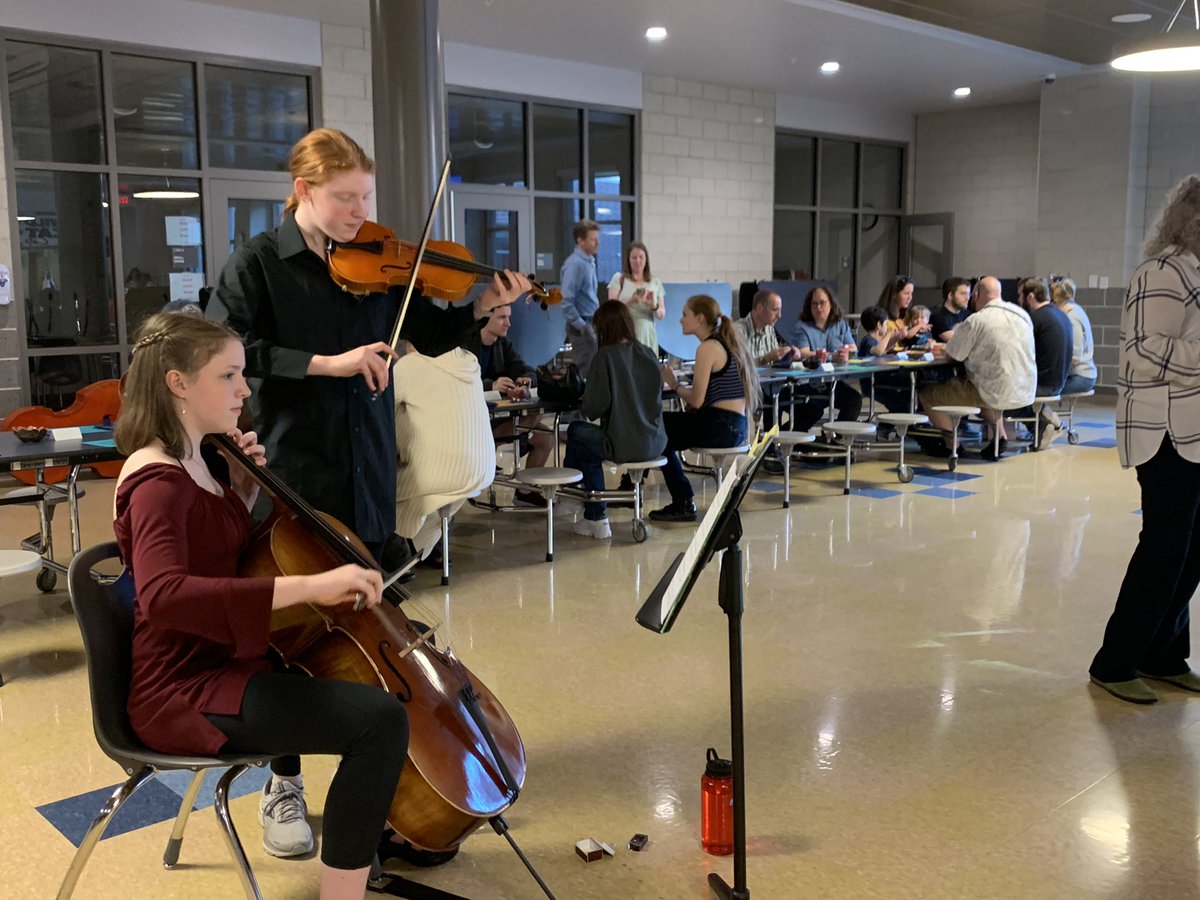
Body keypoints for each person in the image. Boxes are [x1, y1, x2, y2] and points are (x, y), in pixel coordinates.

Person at [206, 127, 528, 856]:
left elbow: (435, 334)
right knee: (288, 638)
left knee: (372, 637)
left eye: (366, 198)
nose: (360, 213)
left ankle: (388, 784)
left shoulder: (378, 265)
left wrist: (483, 307)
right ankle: (283, 782)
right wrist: (329, 362)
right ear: (303, 191)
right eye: (345, 198)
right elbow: (226, 350)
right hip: (297, 473)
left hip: (369, 468)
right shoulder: (258, 263)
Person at [113, 312, 404, 900]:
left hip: (222, 661)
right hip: (183, 689)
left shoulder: (199, 461)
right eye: (228, 375)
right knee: (379, 721)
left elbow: (217, 556)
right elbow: (165, 596)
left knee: (364, 681)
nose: (244, 390)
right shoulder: (157, 483)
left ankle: (382, 828)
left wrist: (242, 495)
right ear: (178, 384)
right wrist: (310, 587)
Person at [1090, 176, 1200, 705]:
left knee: (1191, 550)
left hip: (1193, 431)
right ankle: (1114, 662)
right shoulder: (1164, 271)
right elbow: (1144, 348)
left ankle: (1163, 654)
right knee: (1165, 548)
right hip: (1165, 434)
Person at [651, 295, 759, 523]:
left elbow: (697, 400)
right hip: (736, 425)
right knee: (663, 428)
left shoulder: (707, 348)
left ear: (700, 318)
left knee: (656, 429)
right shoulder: (725, 344)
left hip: (721, 425)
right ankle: (674, 495)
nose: (680, 320)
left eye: (685, 315)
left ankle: (682, 500)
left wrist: (674, 383)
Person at [564, 301, 667, 538]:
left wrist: (587, 396)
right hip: (655, 442)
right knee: (586, 447)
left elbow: (594, 409)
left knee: (576, 432)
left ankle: (587, 508)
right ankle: (589, 510)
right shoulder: (648, 352)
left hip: (623, 444)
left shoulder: (605, 356)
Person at [919, 275, 1036, 460]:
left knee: (928, 395)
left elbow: (954, 354)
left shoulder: (977, 320)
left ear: (977, 295)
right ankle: (1000, 436)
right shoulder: (1022, 315)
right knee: (986, 390)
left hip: (992, 389)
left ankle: (953, 445)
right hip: (1025, 388)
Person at [460, 304, 553, 505]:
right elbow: (460, 380)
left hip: (501, 416)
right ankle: (484, 454)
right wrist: (491, 385)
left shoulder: (504, 344)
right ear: (486, 318)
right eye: (502, 317)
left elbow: (524, 368)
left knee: (545, 439)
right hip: (472, 420)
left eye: (508, 317)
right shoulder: (465, 345)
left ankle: (525, 492)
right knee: (531, 419)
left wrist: (526, 380)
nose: (508, 323)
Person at [787, 285, 863, 429]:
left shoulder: (840, 324)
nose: (818, 307)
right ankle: (786, 435)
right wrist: (832, 356)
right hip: (809, 383)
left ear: (831, 304)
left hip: (833, 380)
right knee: (814, 410)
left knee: (854, 400)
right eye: (814, 304)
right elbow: (803, 353)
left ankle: (836, 436)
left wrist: (846, 352)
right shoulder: (802, 327)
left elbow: (853, 348)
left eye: (822, 303)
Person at [1016, 276, 1073, 448]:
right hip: (1059, 382)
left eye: (1020, 296)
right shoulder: (1062, 315)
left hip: (1042, 384)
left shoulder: (1034, 319)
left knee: (1000, 394)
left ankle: (1041, 425)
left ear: (1030, 297)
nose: (1018, 300)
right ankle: (1046, 417)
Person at [607, 241, 665, 353]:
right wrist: (631, 301)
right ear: (628, 260)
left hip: (647, 335)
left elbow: (661, 314)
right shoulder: (619, 279)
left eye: (641, 257)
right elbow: (612, 310)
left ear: (646, 259)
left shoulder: (655, 282)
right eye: (634, 257)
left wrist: (653, 305)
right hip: (625, 333)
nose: (638, 261)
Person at [560, 219, 601, 373]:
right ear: (580, 240)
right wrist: (582, 326)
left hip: (591, 323)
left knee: (594, 369)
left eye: (597, 239)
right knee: (586, 371)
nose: (597, 243)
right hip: (583, 325)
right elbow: (566, 300)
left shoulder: (589, 262)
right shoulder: (575, 265)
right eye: (593, 239)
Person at [1051, 277, 1097, 395]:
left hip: (1081, 377)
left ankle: (1044, 408)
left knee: (1044, 388)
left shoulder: (1071, 318)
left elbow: (1075, 358)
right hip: (1083, 375)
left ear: (1055, 302)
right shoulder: (1077, 309)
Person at [857, 306, 908, 414]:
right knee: (901, 402)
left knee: (904, 395)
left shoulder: (874, 341)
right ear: (879, 325)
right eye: (885, 324)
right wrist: (889, 334)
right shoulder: (868, 340)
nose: (887, 327)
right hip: (871, 383)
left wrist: (896, 338)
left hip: (879, 379)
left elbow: (883, 348)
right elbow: (878, 351)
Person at [735, 289, 799, 367]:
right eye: (775, 310)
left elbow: (775, 362)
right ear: (759, 308)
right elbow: (738, 366)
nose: (779, 315)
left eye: (779, 310)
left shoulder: (770, 329)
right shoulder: (738, 330)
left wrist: (788, 354)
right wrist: (765, 359)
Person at [930, 277, 972, 341]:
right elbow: (956, 341)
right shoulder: (938, 316)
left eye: (969, 294)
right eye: (963, 294)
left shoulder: (967, 314)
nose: (967, 298)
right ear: (950, 295)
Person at [878, 275, 915, 340]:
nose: (910, 297)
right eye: (906, 293)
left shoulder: (906, 316)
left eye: (911, 293)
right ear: (894, 294)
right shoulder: (882, 319)